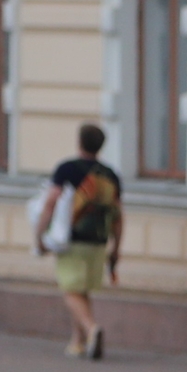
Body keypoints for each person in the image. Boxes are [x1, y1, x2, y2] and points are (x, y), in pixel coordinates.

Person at [36, 124, 124, 359]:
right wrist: (116, 248)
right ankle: (78, 343)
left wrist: (40, 233)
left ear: (79, 142)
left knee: (70, 290)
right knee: (82, 290)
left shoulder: (68, 169)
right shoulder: (110, 175)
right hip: (98, 240)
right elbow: (118, 215)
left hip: (70, 240)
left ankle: (91, 329)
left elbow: (50, 202)